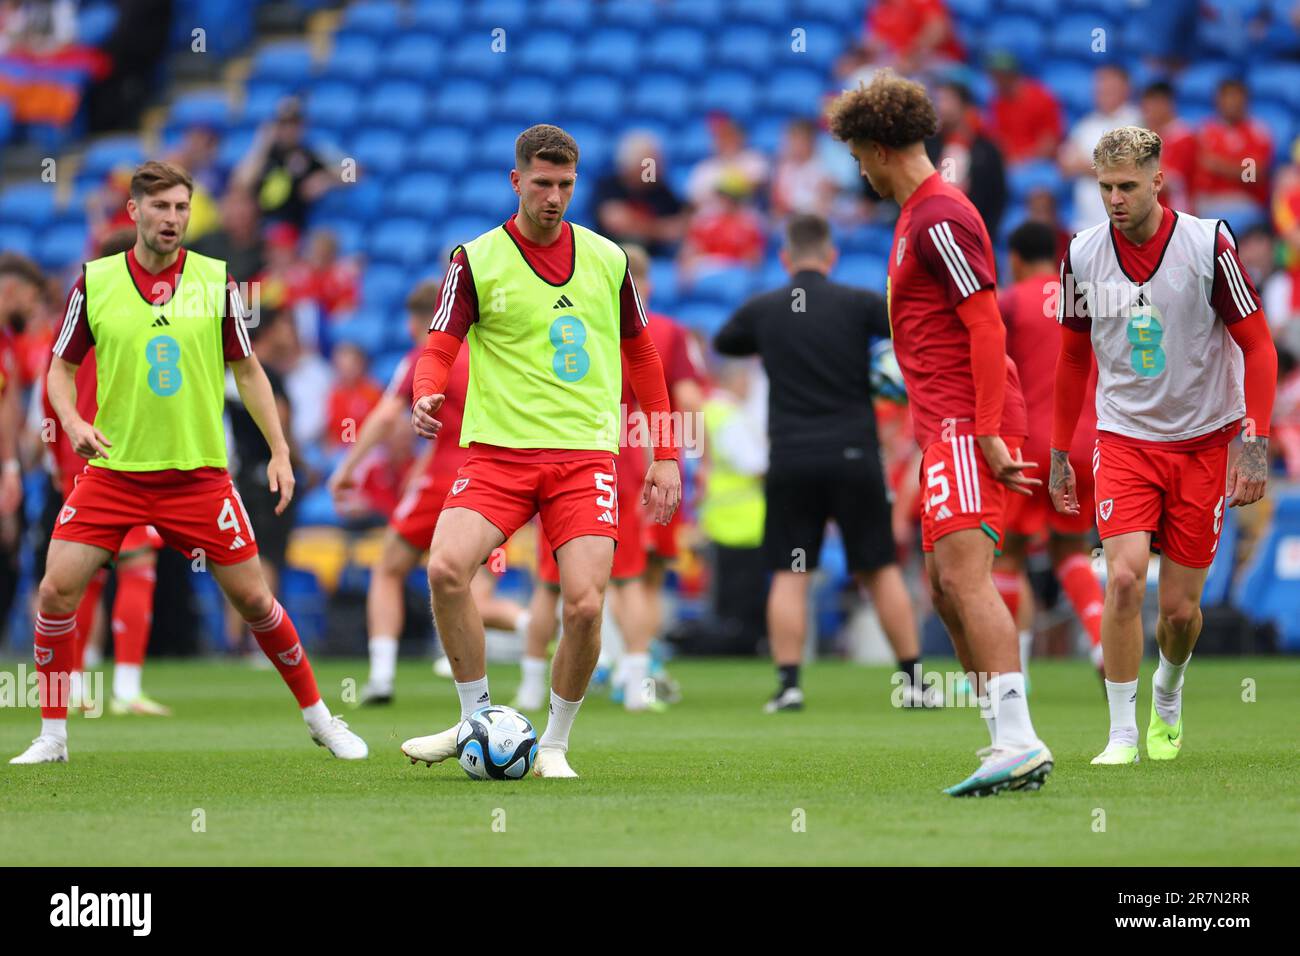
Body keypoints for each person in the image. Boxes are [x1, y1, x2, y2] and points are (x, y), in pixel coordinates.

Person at [9, 160, 367, 764]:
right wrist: (70, 422)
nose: (172, 218)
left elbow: (248, 370)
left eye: (181, 207)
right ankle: (52, 737)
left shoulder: (215, 280)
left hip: (199, 477)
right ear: (135, 212)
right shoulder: (94, 283)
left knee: (256, 602)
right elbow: (60, 369)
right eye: (161, 207)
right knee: (55, 593)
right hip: (115, 474)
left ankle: (321, 719)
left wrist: (280, 450)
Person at [399, 125, 681, 778]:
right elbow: (440, 342)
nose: (553, 197)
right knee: (445, 569)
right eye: (542, 184)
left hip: (584, 456)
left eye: (565, 185)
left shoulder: (609, 259)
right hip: (498, 455)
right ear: (516, 180)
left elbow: (641, 354)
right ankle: (474, 717)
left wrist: (665, 453)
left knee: (584, 604)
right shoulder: (476, 258)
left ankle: (553, 743)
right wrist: (426, 392)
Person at [827, 71, 1053, 796]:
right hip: (943, 424)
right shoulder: (916, 216)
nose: (857, 168)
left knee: (963, 577)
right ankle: (1002, 740)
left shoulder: (938, 217)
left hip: (966, 422)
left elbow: (986, 321)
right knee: (944, 586)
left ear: (879, 146)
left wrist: (986, 430)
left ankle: (1019, 739)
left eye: (859, 153)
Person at [1050, 126, 1278, 766]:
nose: (1115, 199)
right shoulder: (1082, 253)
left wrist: (1253, 444)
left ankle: (1168, 690)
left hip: (1205, 440)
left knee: (1179, 613)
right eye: (1104, 188)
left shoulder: (1210, 244)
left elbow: (1259, 347)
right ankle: (1121, 733)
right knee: (1123, 579)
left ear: (1158, 180)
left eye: (1127, 186)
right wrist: (1061, 451)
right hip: (1124, 436)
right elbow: (1071, 357)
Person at [715, 213, 939, 713]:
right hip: (854, 454)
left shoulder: (764, 308)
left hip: (792, 458)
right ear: (832, 256)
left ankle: (789, 685)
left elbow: (726, 341)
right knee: (879, 569)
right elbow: (903, 327)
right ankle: (913, 682)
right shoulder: (857, 304)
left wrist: (773, 340)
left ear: (785, 257)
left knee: (791, 573)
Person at [326, 281, 528, 705]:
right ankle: (535, 627)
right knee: (475, 591)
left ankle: (381, 676)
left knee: (389, 569)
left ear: (420, 320)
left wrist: (346, 468)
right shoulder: (491, 355)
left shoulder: (426, 355)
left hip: (445, 481)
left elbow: (385, 416)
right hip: (497, 484)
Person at [516, 244, 696, 713]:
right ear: (645, 283)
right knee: (633, 577)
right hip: (630, 458)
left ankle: (533, 685)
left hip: (564, 453)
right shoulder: (665, 331)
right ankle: (637, 680)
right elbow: (687, 397)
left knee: (550, 583)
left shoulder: (577, 322)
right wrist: (681, 454)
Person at [995, 222, 1105, 681]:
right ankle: (1102, 645)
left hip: (1029, 444)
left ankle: (1011, 673)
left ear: (1016, 259)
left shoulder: (1010, 300)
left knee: (1008, 556)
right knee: (1070, 551)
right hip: (1084, 442)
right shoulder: (1087, 299)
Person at [1059, 64, 1142, 231]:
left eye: (1110, 87)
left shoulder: (1136, 120)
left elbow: (1124, 169)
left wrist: (1084, 166)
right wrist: (1100, 166)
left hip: (1124, 221)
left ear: (1126, 89)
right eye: (1100, 86)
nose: (1103, 91)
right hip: (1086, 220)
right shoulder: (1086, 124)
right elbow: (1065, 165)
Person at [925, 80, 1007, 237]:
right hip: (933, 230)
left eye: (947, 100)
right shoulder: (928, 146)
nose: (941, 106)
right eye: (939, 100)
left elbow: (997, 195)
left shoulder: (986, 150)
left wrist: (985, 232)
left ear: (964, 106)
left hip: (973, 232)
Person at [593, 131, 688, 258]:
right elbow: (615, 222)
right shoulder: (608, 186)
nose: (657, 169)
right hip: (612, 256)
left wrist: (639, 225)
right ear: (630, 166)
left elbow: (679, 227)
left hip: (655, 257)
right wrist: (659, 229)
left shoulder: (661, 189)